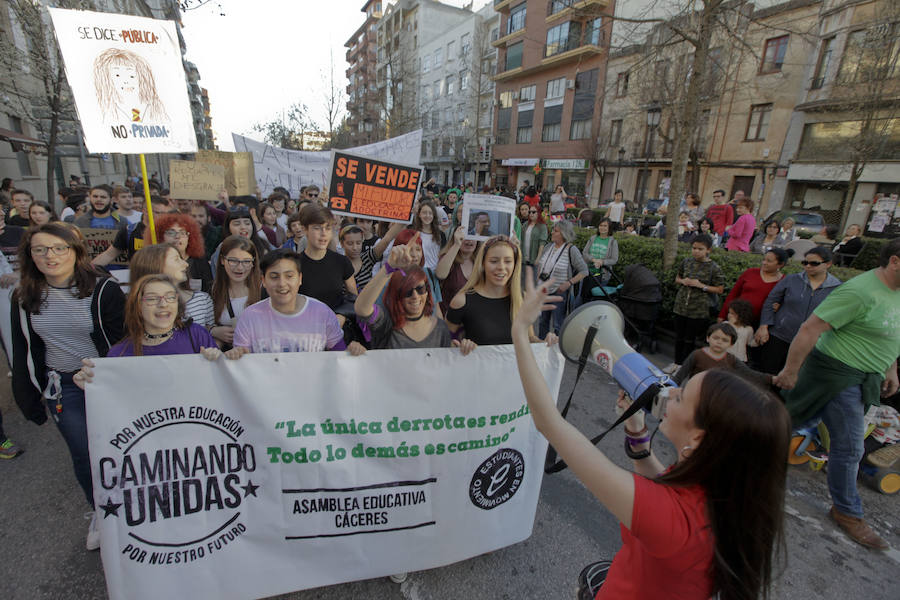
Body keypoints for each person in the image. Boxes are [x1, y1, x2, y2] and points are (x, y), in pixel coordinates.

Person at [512, 279, 790, 600]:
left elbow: (548, 422)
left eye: (681, 396)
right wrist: (636, 428)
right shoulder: (726, 492)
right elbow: (665, 483)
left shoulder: (673, 522)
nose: (669, 392)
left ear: (698, 438)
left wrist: (520, 330)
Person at [774, 239, 900, 550]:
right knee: (849, 447)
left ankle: (723, 459)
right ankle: (847, 512)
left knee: (782, 426)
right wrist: (790, 371)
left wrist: (890, 368)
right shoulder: (860, 291)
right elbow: (810, 329)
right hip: (835, 377)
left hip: (860, 378)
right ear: (895, 261)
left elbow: (891, 331)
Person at [10, 223, 125, 550]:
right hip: (62, 386)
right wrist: (28, 396)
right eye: (41, 249)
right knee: (82, 453)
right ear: (29, 255)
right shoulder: (23, 296)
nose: (50, 256)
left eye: (59, 248)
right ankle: (101, 513)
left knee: (117, 450)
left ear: (76, 251)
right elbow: (24, 347)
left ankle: (130, 507)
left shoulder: (104, 290)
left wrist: (104, 373)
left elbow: (120, 342)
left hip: (104, 383)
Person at [232, 249, 364, 355]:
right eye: (274, 277)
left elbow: (339, 354)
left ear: (300, 278)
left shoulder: (322, 313)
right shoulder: (249, 317)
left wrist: (352, 351)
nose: (282, 284)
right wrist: (236, 354)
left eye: (289, 276)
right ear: (264, 281)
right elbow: (242, 362)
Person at [355, 243, 470, 351]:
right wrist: (388, 267)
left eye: (421, 289)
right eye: (408, 292)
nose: (415, 296)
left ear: (428, 292)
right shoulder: (385, 322)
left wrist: (462, 349)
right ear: (397, 294)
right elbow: (361, 309)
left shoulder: (440, 328)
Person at [446, 235, 550, 346]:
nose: (501, 267)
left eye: (508, 261)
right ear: (482, 264)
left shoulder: (522, 299)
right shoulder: (461, 300)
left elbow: (529, 338)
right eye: (494, 261)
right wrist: (461, 345)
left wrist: (547, 343)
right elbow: (446, 339)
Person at [755, 247, 842, 376]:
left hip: (810, 343)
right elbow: (770, 301)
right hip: (779, 335)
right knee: (767, 374)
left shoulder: (837, 288)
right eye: (805, 263)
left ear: (828, 264)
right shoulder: (792, 280)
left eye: (814, 263)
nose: (808, 266)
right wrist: (764, 326)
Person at [667, 235, 725, 373]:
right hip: (681, 306)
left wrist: (701, 286)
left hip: (699, 309)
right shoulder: (686, 262)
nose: (696, 251)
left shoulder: (714, 268)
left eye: (700, 249)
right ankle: (676, 362)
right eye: (694, 248)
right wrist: (683, 281)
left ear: (708, 250)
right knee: (679, 337)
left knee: (689, 339)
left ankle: (684, 366)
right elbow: (677, 278)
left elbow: (720, 289)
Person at [130, 243, 215, 328]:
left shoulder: (201, 299)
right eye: (176, 259)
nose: (186, 264)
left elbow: (209, 334)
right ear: (155, 265)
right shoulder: (140, 305)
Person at [297, 205, 357, 320]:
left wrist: (342, 316)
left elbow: (353, 298)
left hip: (336, 327)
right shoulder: (294, 264)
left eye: (328, 228)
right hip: (304, 329)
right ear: (305, 230)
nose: (323, 233)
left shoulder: (341, 262)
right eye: (317, 228)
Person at [672, 322, 772, 387]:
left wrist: (773, 379)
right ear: (708, 338)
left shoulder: (732, 359)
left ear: (731, 344)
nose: (719, 342)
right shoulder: (697, 354)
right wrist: (670, 388)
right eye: (716, 338)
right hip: (693, 393)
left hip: (716, 398)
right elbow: (680, 375)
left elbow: (750, 374)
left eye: (725, 340)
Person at [535, 221, 588, 338]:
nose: (552, 232)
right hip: (544, 291)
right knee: (543, 321)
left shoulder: (571, 250)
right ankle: (540, 346)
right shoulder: (549, 247)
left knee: (558, 324)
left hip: (559, 292)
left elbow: (584, 271)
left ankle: (558, 350)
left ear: (563, 233)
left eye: (555, 231)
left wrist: (568, 283)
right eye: (553, 230)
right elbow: (541, 264)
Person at [91, 195, 174, 267]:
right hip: (139, 279)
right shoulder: (129, 231)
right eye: (160, 213)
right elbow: (109, 254)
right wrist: (88, 269)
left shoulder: (172, 232)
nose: (165, 217)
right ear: (145, 211)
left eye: (166, 213)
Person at [210, 235, 262, 349]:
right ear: (223, 260)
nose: (240, 268)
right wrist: (213, 331)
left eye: (246, 261)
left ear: (253, 263)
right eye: (233, 261)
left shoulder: (263, 290)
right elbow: (202, 324)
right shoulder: (213, 291)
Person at [717, 248, 787, 324]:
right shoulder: (750, 272)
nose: (764, 263)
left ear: (780, 264)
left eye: (769, 261)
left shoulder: (784, 281)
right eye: (764, 259)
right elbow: (733, 294)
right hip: (735, 318)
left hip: (759, 323)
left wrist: (779, 308)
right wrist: (722, 315)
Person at [340, 221, 403, 292]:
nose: (355, 247)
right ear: (342, 243)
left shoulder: (367, 258)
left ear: (362, 240)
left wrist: (407, 217)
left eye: (358, 243)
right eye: (350, 243)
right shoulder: (336, 264)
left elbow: (387, 239)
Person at [209, 207, 271, 274]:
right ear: (228, 227)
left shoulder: (262, 244)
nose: (243, 227)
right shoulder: (222, 249)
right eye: (237, 224)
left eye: (247, 223)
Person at [436, 226, 481, 314]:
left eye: (472, 237)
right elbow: (440, 274)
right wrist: (457, 244)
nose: (469, 240)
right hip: (449, 318)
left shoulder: (480, 262)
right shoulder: (449, 258)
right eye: (465, 237)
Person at [580, 218, 619, 304]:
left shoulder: (612, 242)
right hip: (588, 273)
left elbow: (614, 259)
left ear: (609, 228)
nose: (602, 228)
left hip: (602, 275)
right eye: (601, 225)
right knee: (584, 296)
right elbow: (585, 253)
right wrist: (593, 260)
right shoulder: (593, 238)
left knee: (596, 300)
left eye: (605, 226)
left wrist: (602, 262)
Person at [412, 200, 446, 270]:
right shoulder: (413, 233)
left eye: (430, 213)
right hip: (418, 272)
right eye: (424, 213)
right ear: (419, 214)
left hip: (434, 274)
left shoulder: (441, 234)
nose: (427, 216)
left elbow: (443, 255)